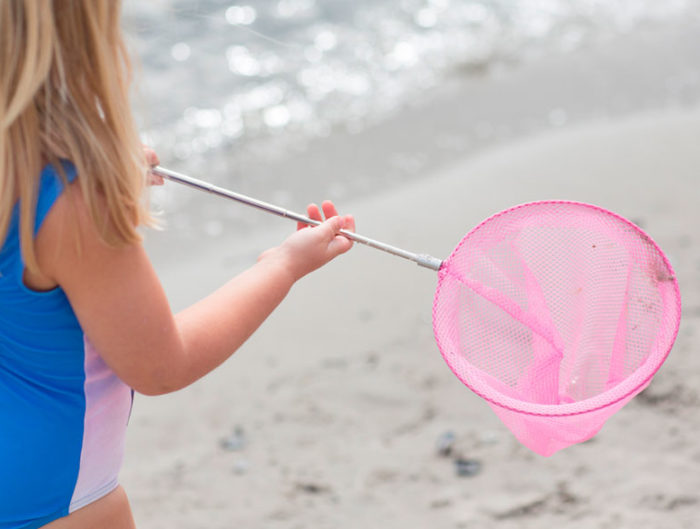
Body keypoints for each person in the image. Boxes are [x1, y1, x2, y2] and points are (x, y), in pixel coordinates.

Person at [0, 2, 355, 528]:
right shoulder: (72, 201)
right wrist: (280, 266)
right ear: (84, 37)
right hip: (54, 501)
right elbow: (162, 366)